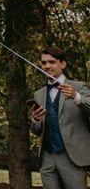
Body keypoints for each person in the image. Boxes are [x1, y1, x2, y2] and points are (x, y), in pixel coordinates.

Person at [30, 47, 90, 189]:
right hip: (47, 159)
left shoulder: (78, 87)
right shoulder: (38, 94)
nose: (47, 66)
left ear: (62, 64)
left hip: (72, 158)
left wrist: (76, 97)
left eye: (52, 62)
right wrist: (35, 120)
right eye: (44, 63)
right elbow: (37, 131)